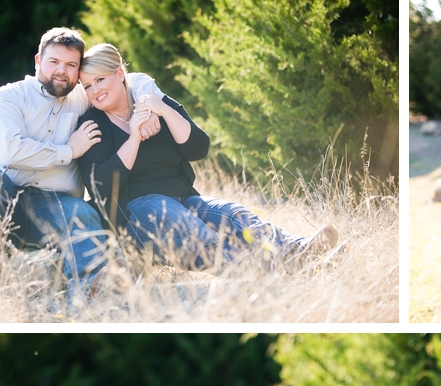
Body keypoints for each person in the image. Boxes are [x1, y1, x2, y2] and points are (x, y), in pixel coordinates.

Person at [75, 44, 339, 272]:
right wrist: (133, 137)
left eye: (100, 80)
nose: (94, 90)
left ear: (120, 74)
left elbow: (198, 149)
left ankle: (300, 250)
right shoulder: (92, 123)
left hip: (185, 199)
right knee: (194, 232)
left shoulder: (153, 101)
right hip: (136, 213)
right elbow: (100, 185)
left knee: (235, 215)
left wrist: (164, 110)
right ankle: (273, 269)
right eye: (87, 86)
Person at [0, 27, 163, 299]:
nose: (61, 71)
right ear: (38, 61)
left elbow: (131, 79)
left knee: (81, 213)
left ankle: (90, 295)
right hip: (3, 203)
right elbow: (11, 151)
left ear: (78, 71)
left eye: (71, 65)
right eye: (54, 62)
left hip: (53, 206)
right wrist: (68, 150)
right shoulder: (7, 98)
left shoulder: (81, 97)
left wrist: (148, 107)